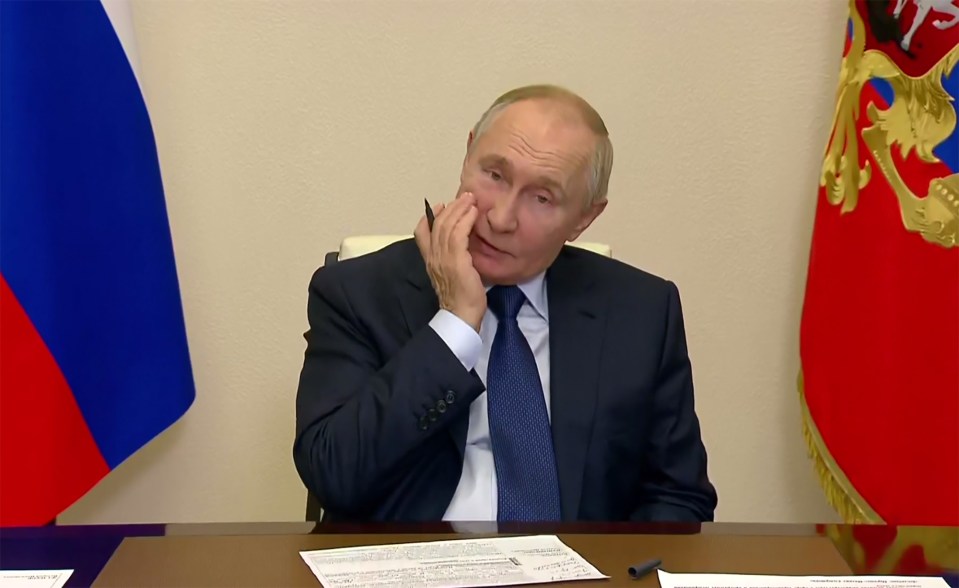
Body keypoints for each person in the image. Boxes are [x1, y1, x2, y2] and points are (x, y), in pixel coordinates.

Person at [293, 84, 717, 522]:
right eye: (494, 175)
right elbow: (333, 475)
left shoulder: (641, 311)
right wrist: (455, 325)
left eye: (542, 197)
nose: (500, 218)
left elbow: (678, 496)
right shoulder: (357, 292)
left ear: (585, 217)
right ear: (469, 152)